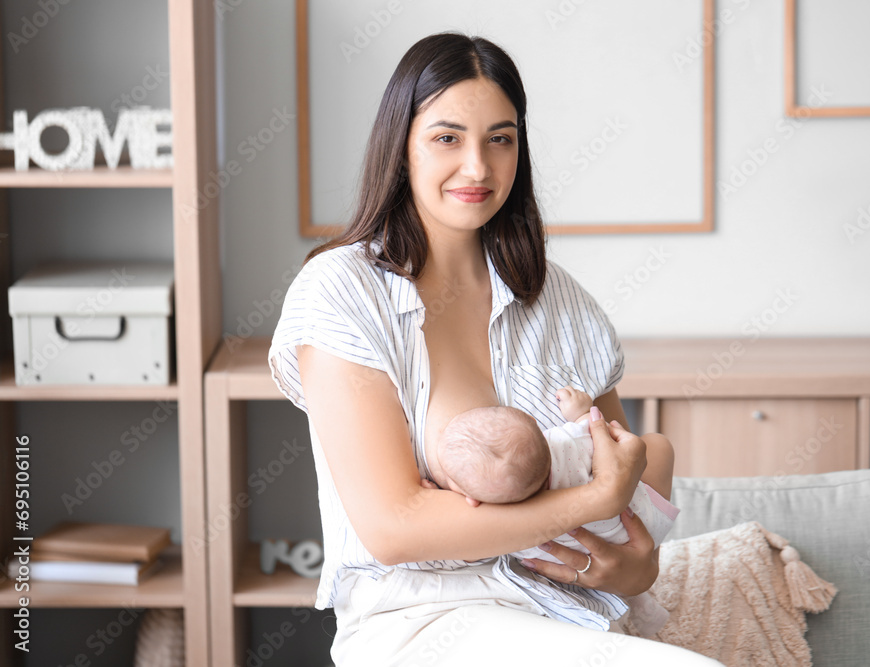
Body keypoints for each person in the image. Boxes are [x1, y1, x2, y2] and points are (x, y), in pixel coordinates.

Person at [269, 32, 721, 666]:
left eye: (499, 139)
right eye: (447, 138)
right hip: (421, 623)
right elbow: (394, 529)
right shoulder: (340, 291)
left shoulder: (561, 302)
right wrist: (593, 500)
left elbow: (630, 501)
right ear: (401, 147)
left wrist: (632, 569)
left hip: (570, 615)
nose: (478, 167)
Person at [425, 385, 680, 637]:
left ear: (470, 499)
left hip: (581, 569)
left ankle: (638, 607)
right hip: (641, 525)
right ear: (536, 427)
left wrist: (437, 495)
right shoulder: (563, 444)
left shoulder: (506, 532)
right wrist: (581, 411)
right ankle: (640, 606)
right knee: (658, 445)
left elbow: (459, 550)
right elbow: (593, 428)